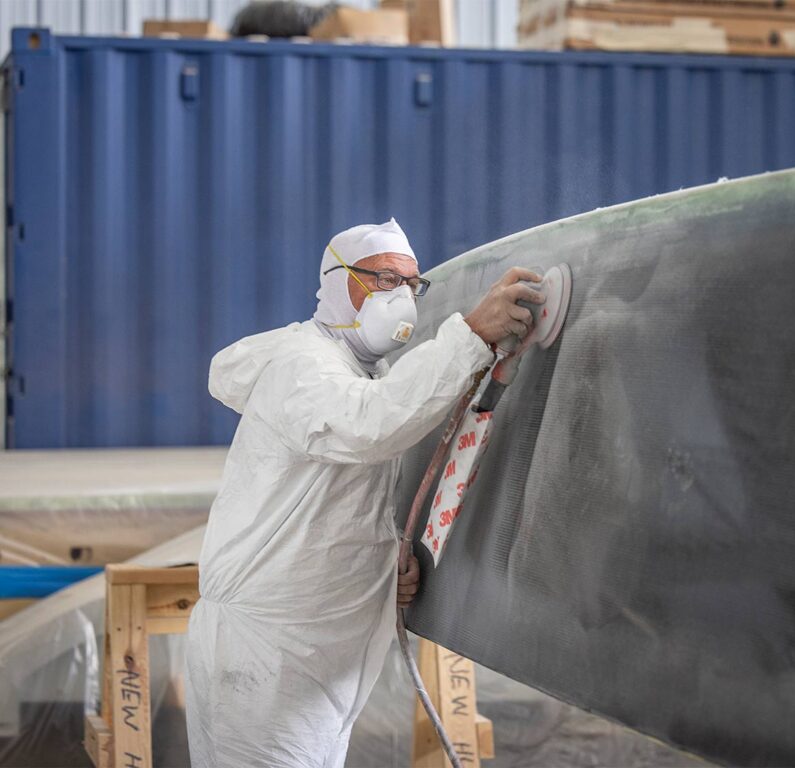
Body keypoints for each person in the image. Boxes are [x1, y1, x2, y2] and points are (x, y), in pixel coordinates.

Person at [185, 218, 544, 767]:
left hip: (315, 652)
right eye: (383, 280)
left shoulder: (361, 374)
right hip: (268, 655)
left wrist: (384, 565)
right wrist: (471, 335)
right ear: (337, 282)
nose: (401, 296)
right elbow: (365, 428)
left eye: (411, 284)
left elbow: (338, 506)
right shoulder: (302, 366)